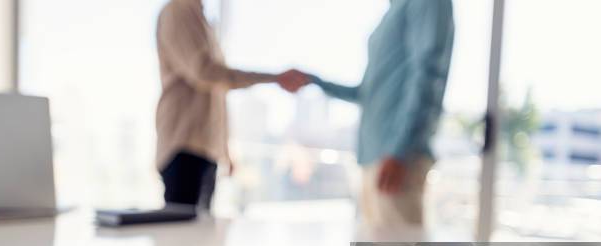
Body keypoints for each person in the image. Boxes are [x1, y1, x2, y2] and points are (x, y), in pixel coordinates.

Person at [296, 0, 455, 228]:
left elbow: (428, 75)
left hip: (396, 159)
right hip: (374, 156)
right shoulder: (395, 8)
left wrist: (400, 151)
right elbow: (368, 92)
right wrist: (314, 81)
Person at [155, 0, 306, 209]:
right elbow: (205, 74)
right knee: (182, 232)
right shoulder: (178, 10)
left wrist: (225, 149)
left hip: (205, 148)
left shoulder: (202, 19)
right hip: (183, 145)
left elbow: (216, 92)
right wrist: (274, 78)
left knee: (201, 233)